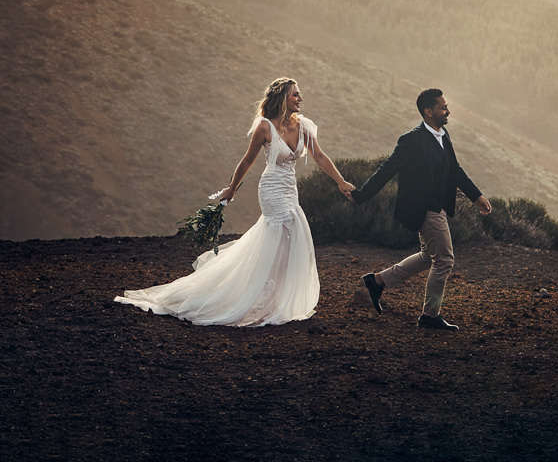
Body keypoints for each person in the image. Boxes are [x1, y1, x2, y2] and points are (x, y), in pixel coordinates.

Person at [115, 77, 354, 327]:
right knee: (284, 236)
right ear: (283, 98)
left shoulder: (303, 126)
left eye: (299, 94)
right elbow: (248, 160)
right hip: (272, 190)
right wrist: (231, 188)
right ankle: (261, 300)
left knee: (289, 241)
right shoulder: (265, 127)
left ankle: (273, 300)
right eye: (295, 94)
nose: (300, 99)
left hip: (290, 190)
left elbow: (320, 156)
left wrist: (340, 181)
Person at [351, 88, 491, 332]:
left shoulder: (443, 134)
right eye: (443, 107)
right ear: (428, 112)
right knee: (445, 259)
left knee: (429, 256)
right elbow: (387, 169)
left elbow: (454, 169)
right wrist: (361, 195)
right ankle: (430, 315)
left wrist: (476, 195)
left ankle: (377, 281)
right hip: (423, 209)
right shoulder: (411, 140)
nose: (448, 111)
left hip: (439, 206)